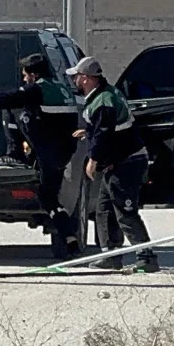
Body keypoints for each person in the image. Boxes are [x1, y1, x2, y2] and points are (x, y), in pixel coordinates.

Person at [0, 53, 81, 258]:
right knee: (49, 197)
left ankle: (16, 154)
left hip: (47, 149)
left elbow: (4, 98)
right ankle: (70, 238)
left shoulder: (37, 89)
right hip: (62, 152)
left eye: (25, 75)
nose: (23, 79)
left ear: (33, 74)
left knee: (9, 106)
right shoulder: (62, 88)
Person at [66, 56, 159, 273]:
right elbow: (103, 128)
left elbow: (104, 134)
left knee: (125, 211)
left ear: (87, 78)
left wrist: (93, 160)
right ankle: (110, 255)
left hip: (128, 163)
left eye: (77, 77)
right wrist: (87, 131)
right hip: (115, 163)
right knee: (104, 210)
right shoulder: (101, 96)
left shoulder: (104, 101)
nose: (75, 81)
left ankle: (146, 257)